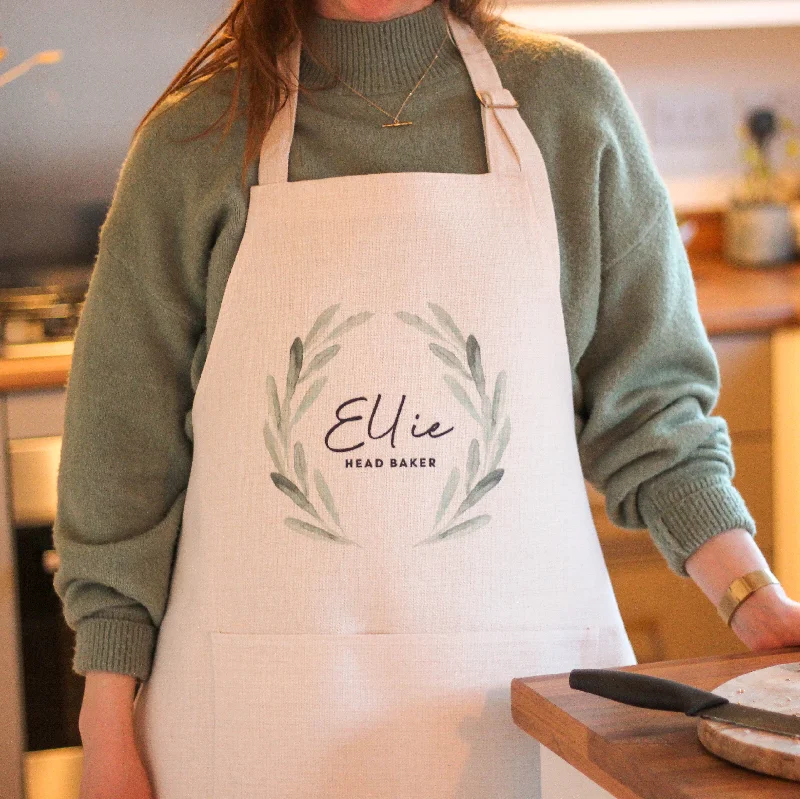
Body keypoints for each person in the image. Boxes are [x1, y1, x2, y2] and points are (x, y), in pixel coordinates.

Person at [53, 0, 800, 797]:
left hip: (530, 720)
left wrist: (753, 599)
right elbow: (121, 456)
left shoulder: (568, 106)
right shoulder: (197, 137)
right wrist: (107, 730)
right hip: (253, 727)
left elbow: (653, 416)